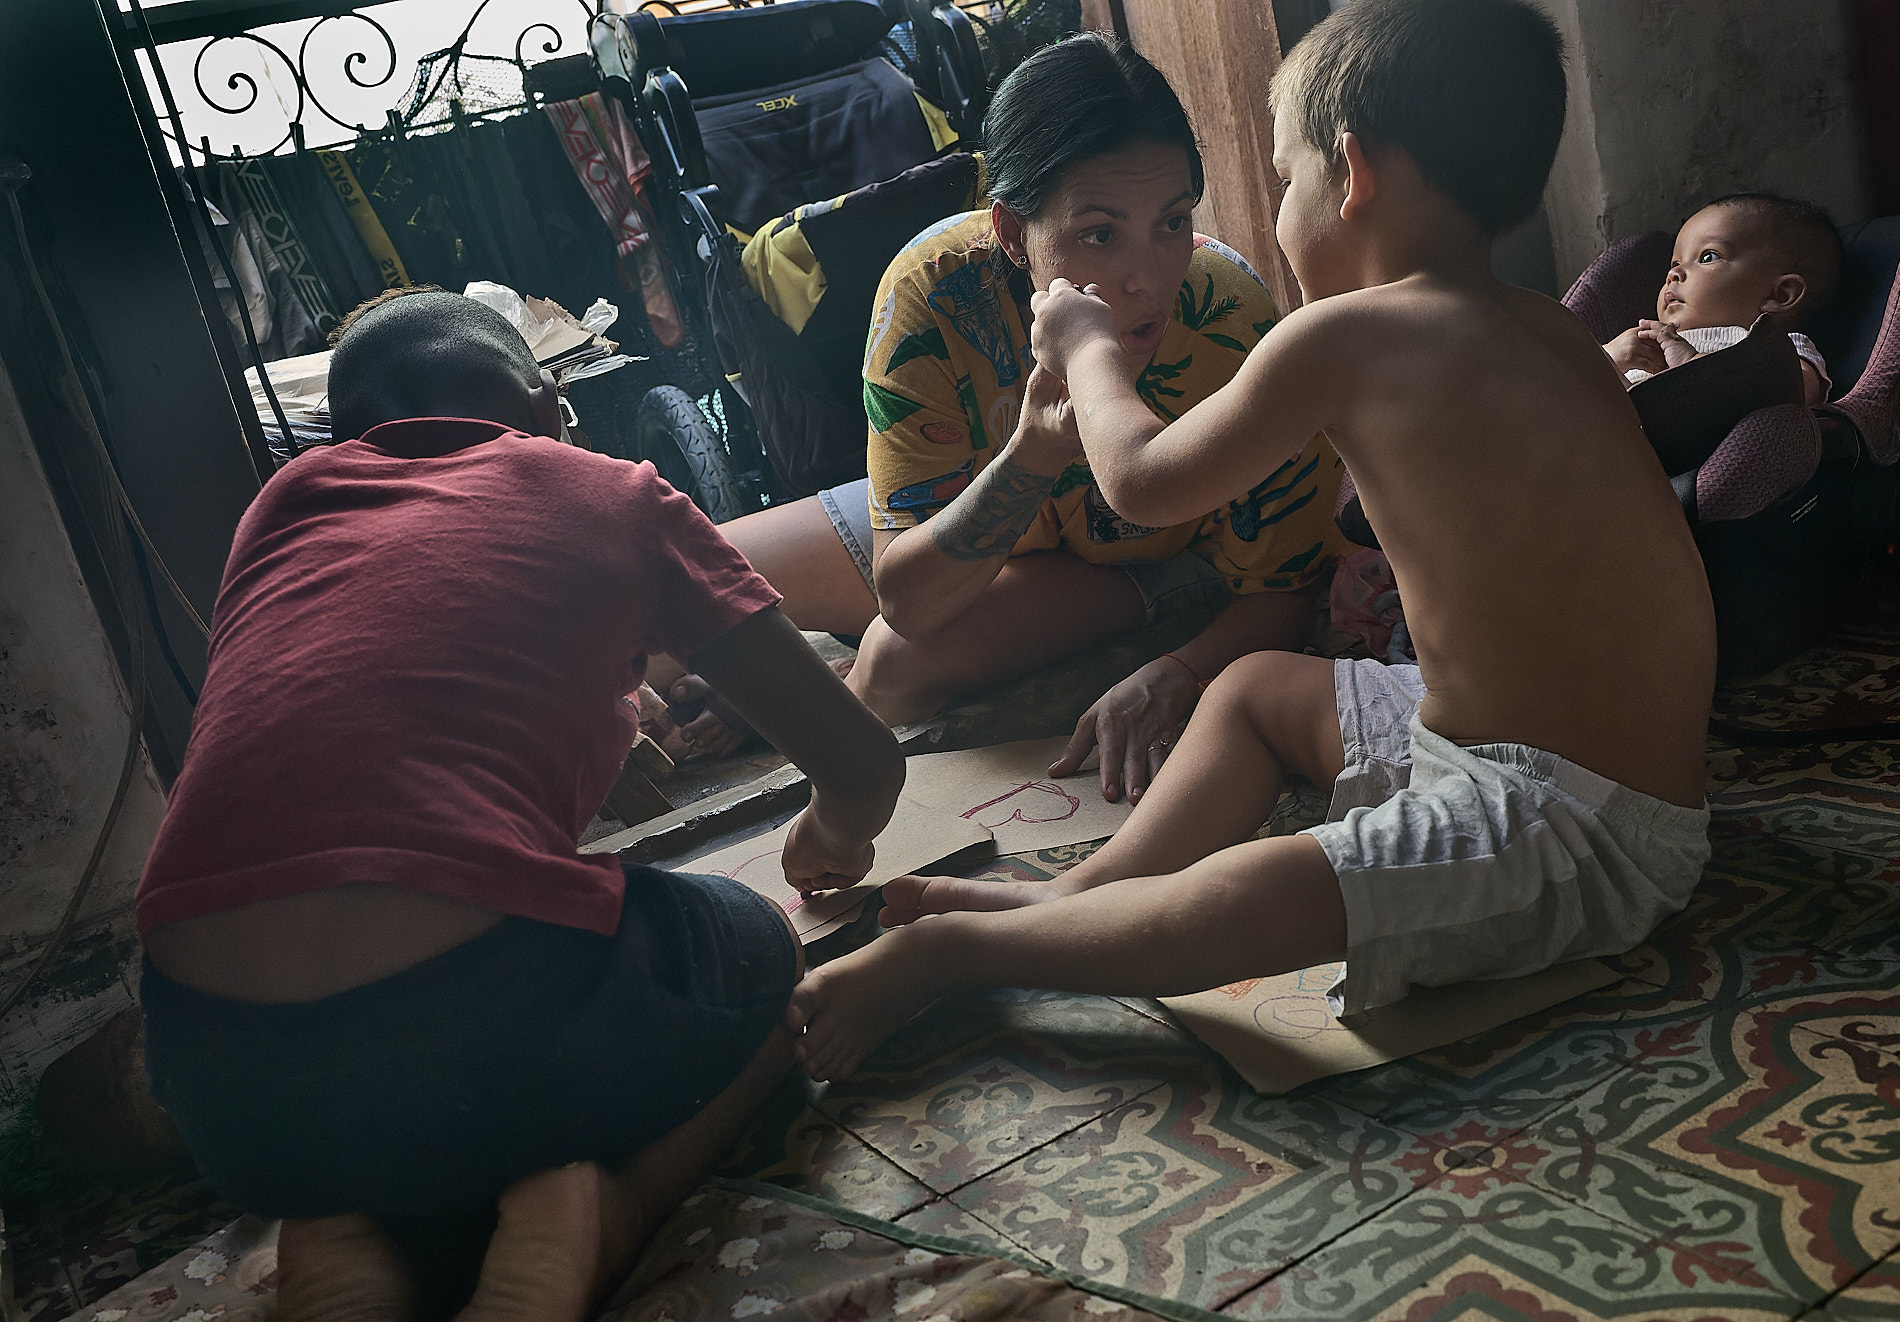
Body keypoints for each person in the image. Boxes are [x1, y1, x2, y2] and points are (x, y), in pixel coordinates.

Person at [786, 0, 1717, 1085]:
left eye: (1281, 179)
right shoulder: (1544, 322)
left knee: (1251, 893)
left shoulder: (1343, 334)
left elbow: (1138, 482)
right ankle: (1076, 898)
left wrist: (1086, 350)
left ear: (1350, 174)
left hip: (1565, 827)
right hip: (1527, 752)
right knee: (1256, 686)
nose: (1268, 217)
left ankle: (957, 952)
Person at [136, 289, 904, 1320]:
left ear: (344, 434)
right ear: (554, 408)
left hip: (220, 1090)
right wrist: (831, 825)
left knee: (413, 1096)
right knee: (757, 953)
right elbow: (863, 765)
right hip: (479, 1027)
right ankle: (608, 1212)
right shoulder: (613, 492)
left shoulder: (285, 505)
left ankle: (349, 1230)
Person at [655, 33, 1353, 805]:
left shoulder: (1229, 317)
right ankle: (751, 698)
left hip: (1137, 559)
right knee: (681, 575)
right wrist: (1030, 455)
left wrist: (1180, 670)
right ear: (1014, 234)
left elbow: (1287, 585)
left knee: (893, 659)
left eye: (1173, 220)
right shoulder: (933, 295)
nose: (1146, 276)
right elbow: (909, 580)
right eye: (1099, 233)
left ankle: (814, 756)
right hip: (982, 501)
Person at [1603, 193, 1842, 403]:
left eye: (1708, 257)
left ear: (1780, 294)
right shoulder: (1651, 343)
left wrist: (1694, 363)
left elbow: (1792, 391)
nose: (1673, 274)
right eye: (1675, 263)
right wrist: (1610, 360)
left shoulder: (1780, 350)